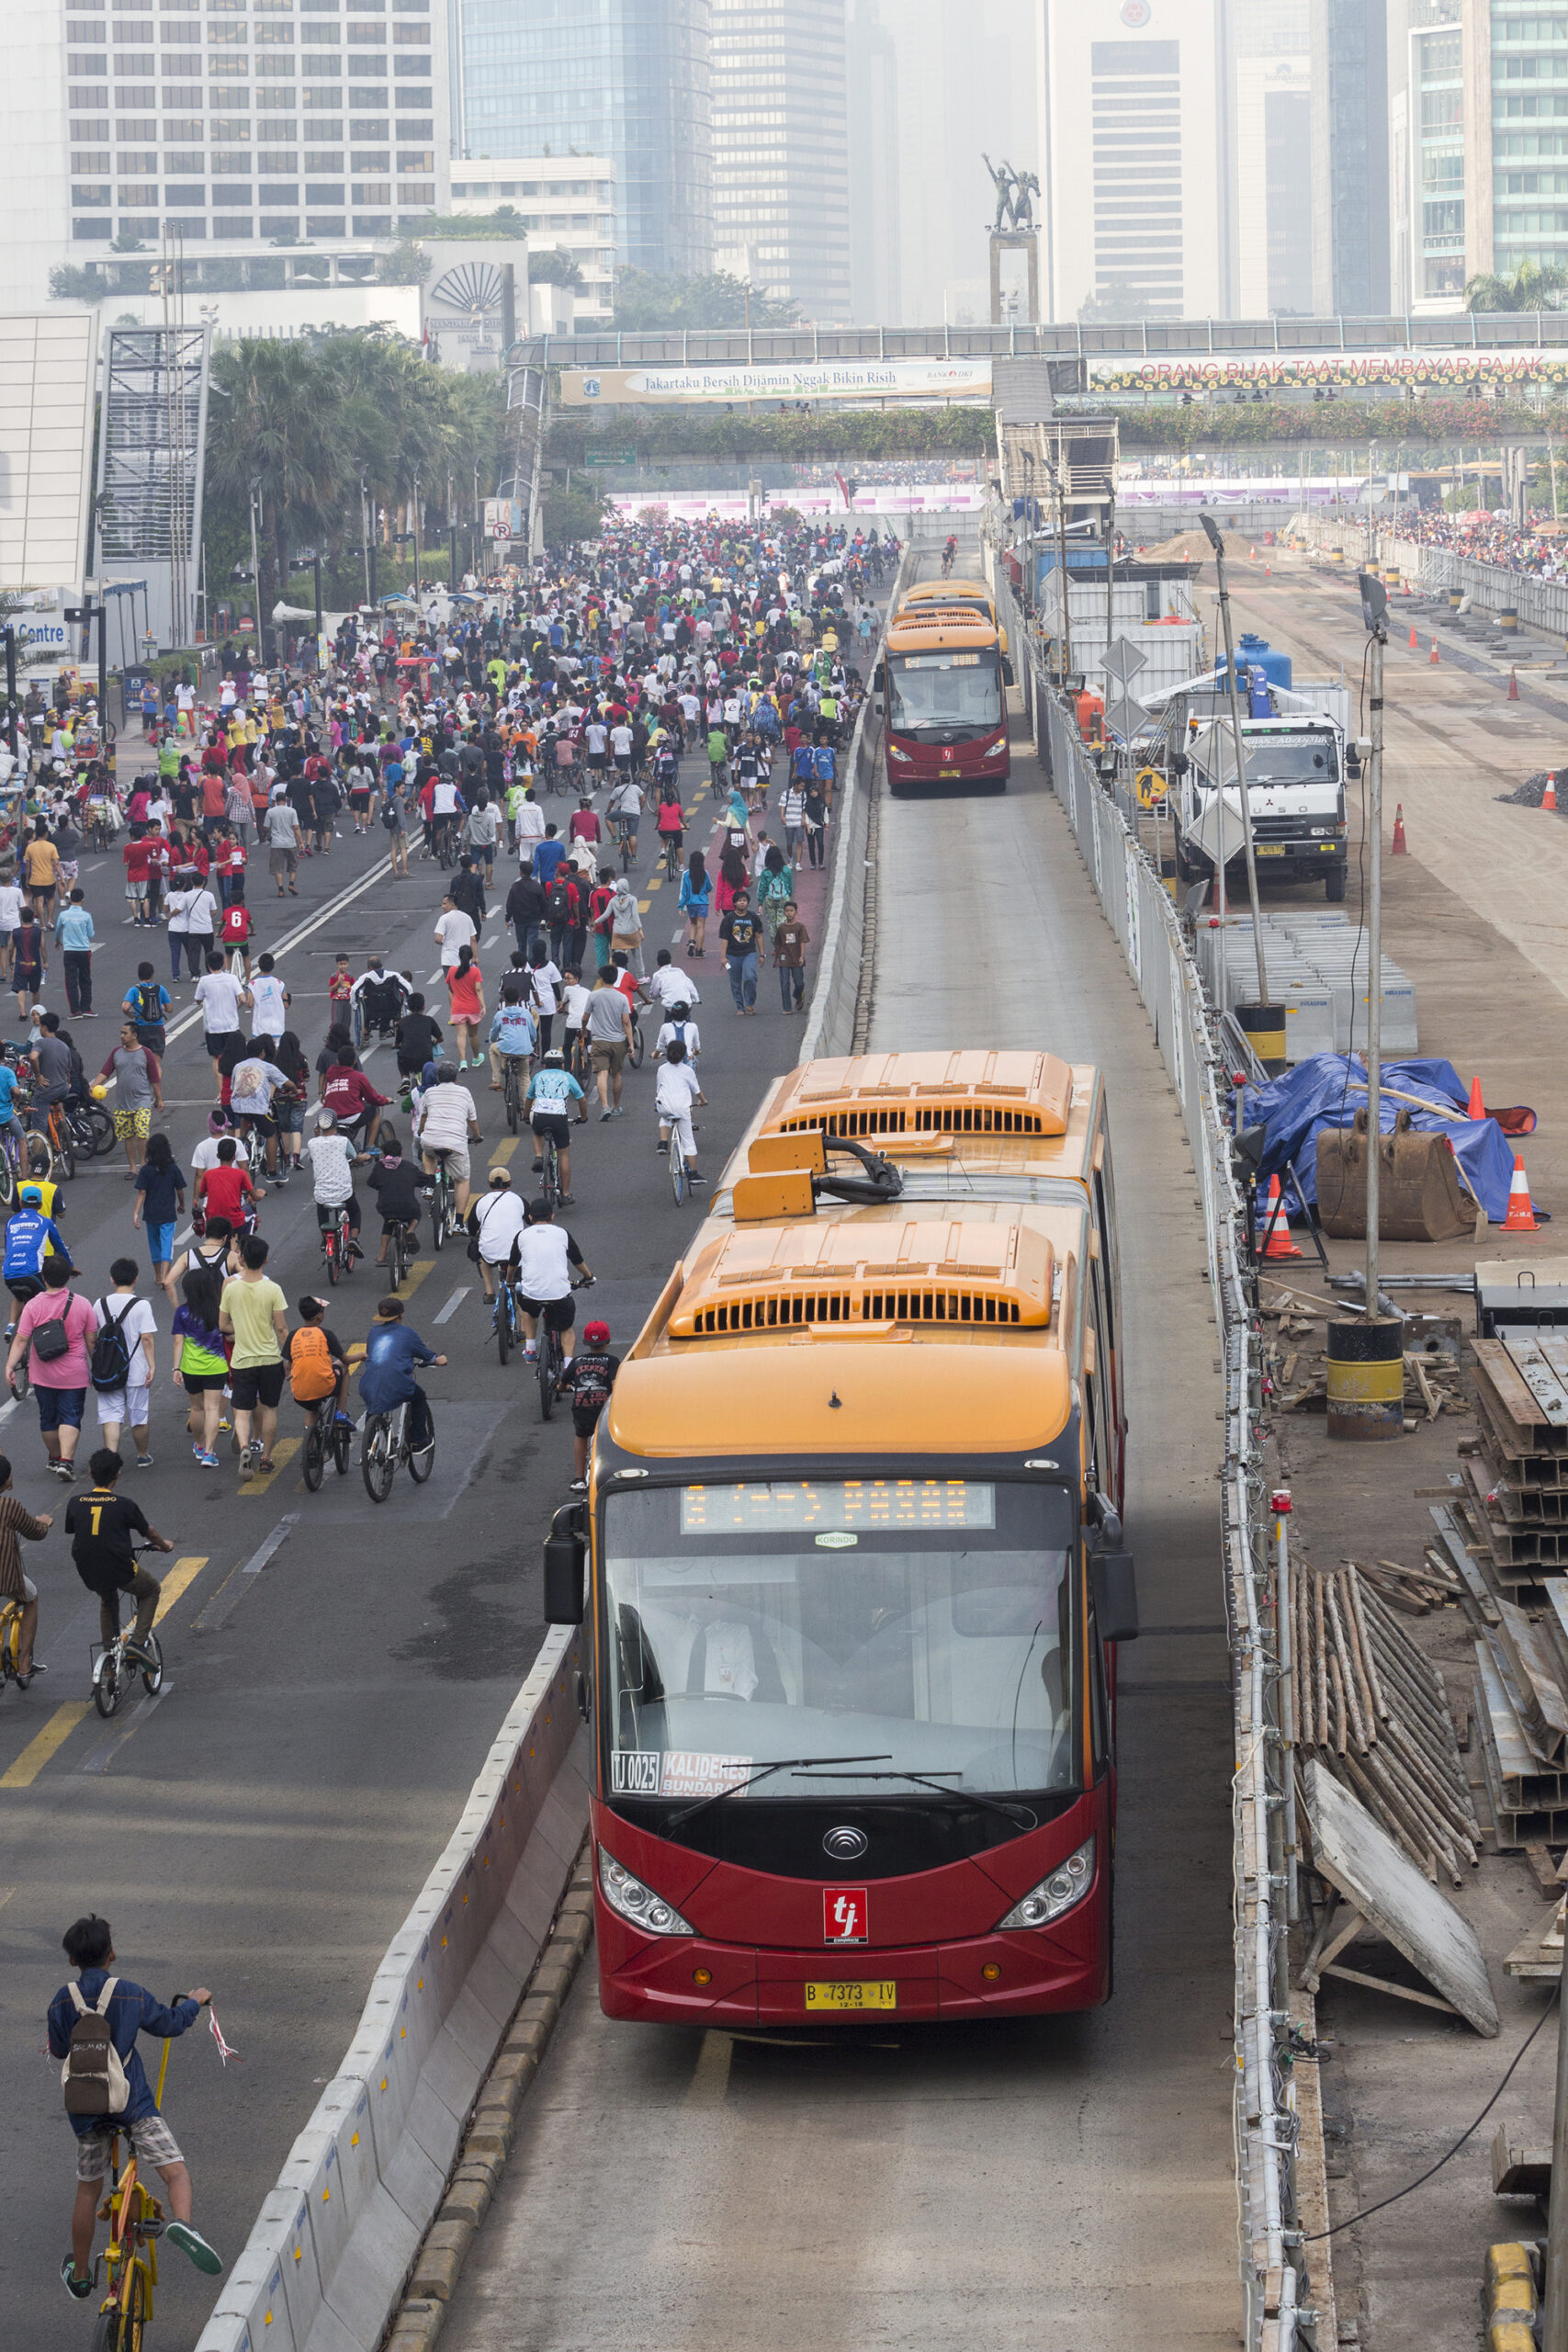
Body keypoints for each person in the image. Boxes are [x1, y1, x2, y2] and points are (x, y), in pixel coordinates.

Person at [49, 1909, 220, 2306]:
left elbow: (59, 2048)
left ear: (72, 1959)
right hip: (133, 2105)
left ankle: (79, 2273)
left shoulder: (61, 2000)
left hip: (87, 2110)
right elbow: (171, 2023)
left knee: (88, 2191)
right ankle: (184, 2225)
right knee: (175, 2172)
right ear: (112, 1954)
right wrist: (194, 2002)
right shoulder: (129, 1992)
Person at [6, 1258, 100, 1477]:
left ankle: (55, 1458)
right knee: (70, 1416)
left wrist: (10, 1366)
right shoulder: (82, 1304)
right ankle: (66, 1462)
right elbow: (91, 1342)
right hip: (74, 1374)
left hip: (43, 1374)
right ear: (68, 1277)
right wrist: (96, 1368)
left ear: (43, 1278)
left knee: (48, 1418)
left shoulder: (33, 1306)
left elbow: (21, 1340)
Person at [220, 1233, 288, 1476]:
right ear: (266, 1260)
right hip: (270, 1358)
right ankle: (267, 1457)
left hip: (242, 1359)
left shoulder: (231, 1287)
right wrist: (288, 1358)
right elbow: (280, 1328)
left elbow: (223, 1325)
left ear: (243, 1257)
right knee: (269, 1408)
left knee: (242, 1408)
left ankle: (245, 1446)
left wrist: (240, 1329)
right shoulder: (273, 1289)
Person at [91, 1259, 158, 1468]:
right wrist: (152, 1365)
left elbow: (93, 1337)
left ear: (112, 1279)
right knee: (138, 1415)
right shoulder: (141, 1305)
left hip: (109, 1369)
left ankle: (111, 1459)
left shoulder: (100, 1304)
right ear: (136, 1279)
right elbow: (146, 1338)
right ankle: (142, 1455)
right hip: (136, 1369)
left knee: (111, 1415)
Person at [358, 1295, 445, 1453]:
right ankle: (418, 1440)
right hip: (397, 1383)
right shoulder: (407, 1333)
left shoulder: (373, 1333)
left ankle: (370, 1446)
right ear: (400, 1315)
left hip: (368, 1383)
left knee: (374, 1405)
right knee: (419, 1397)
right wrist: (438, 1359)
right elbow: (427, 1356)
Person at [514, 1195, 592, 1368]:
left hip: (531, 1294)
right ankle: (568, 1367)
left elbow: (513, 1263)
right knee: (566, 1327)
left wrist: (509, 1280)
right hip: (559, 1294)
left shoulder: (522, 1236)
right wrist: (588, 1277)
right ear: (552, 1216)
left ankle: (530, 1349)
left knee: (528, 1309)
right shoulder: (562, 1234)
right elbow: (577, 1260)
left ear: (530, 1218)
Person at [170, 1261, 229, 1466]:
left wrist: (176, 1368)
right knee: (212, 1409)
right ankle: (210, 1453)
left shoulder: (183, 1313)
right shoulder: (219, 1311)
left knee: (196, 1408)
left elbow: (178, 1341)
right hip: (217, 1366)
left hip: (190, 1367)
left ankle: (199, 1445)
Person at [412, 1060, 482, 1216]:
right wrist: (477, 1136)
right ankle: (458, 1222)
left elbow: (423, 1116)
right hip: (455, 1142)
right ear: (456, 1078)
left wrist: (421, 1131)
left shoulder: (430, 1092)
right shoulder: (464, 1092)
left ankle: (430, 1185)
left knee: (428, 1153)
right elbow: (472, 1120)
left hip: (431, 1139)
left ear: (438, 1077)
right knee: (462, 1179)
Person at [558, 1318, 619, 1492]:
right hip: (602, 1411)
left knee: (580, 1435)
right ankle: (611, 1471)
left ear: (586, 1342)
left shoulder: (577, 1362)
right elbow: (616, 1385)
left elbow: (562, 1383)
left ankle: (579, 1478)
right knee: (608, 1438)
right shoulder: (612, 1361)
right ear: (608, 1341)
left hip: (582, 1409)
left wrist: (562, 1387)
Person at [525, 1046, 586, 1203]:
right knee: (563, 1155)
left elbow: (529, 1098)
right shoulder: (567, 1077)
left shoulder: (538, 1076)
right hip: (559, 1117)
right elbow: (581, 1098)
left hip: (540, 1115)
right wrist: (583, 1117)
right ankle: (565, 1194)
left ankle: (538, 1155)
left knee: (537, 1132)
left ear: (544, 1064)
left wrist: (525, 1116)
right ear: (562, 1064)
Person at [304, 1109, 365, 1262]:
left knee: (321, 1210)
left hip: (322, 1193)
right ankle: (354, 1239)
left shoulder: (312, 1143)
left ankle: (325, 1239)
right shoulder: (343, 1141)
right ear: (336, 1124)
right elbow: (354, 1157)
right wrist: (365, 1157)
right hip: (344, 1191)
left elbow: (313, 1159)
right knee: (355, 1211)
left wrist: (316, 1135)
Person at [284, 1293, 352, 1428]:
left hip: (300, 1393)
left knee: (311, 1410)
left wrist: (288, 1374)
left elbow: (288, 1365)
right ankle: (340, 1412)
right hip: (325, 1387)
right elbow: (346, 1359)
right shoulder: (326, 1334)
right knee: (343, 1368)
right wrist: (363, 1355)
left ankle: (308, 1446)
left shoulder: (293, 1335)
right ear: (319, 1316)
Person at [468, 1164, 528, 1309]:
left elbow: (472, 1229)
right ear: (510, 1183)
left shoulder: (481, 1202)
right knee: (521, 1294)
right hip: (516, 1254)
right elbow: (532, 1220)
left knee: (482, 1255)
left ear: (489, 1184)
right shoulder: (518, 1200)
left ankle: (489, 1291)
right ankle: (523, 1329)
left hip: (490, 1252)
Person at [132, 1133, 186, 1285]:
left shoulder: (145, 1170)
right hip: (167, 1213)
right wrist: (181, 1205)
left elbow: (142, 1192)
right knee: (166, 1244)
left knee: (154, 1244)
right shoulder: (173, 1169)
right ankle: (165, 1276)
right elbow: (180, 1190)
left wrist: (136, 1212)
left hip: (150, 1214)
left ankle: (157, 1276)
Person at [367, 1127, 422, 1271]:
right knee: (416, 1215)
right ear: (401, 1153)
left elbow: (371, 1182)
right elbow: (423, 1180)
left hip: (386, 1207)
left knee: (388, 1223)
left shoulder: (379, 1167)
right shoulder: (409, 1167)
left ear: (384, 1154)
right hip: (408, 1207)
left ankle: (382, 1254)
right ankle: (410, 1231)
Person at [585, 967, 634, 1121]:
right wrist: (631, 1044)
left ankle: (604, 1106)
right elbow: (626, 1022)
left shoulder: (594, 996)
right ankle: (614, 1106)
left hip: (599, 1040)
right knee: (617, 1074)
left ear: (601, 979)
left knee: (602, 1073)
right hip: (618, 1042)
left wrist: (583, 1029)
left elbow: (585, 1017)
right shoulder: (622, 998)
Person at [654, 1036, 705, 1182]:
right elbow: (697, 1090)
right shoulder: (687, 1070)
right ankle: (693, 1173)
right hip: (682, 1108)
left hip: (664, 1105)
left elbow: (659, 1089)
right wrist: (702, 1101)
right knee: (688, 1141)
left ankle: (663, 1142)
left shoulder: (661, 1069)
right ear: (683, 1055)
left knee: (664, 1116)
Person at [194, 951, 246, 1093]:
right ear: (222, 963)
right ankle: (238, 1088)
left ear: (208, 965)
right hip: (231, 1026)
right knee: (235, 1058)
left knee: (217, 1059)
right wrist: (236, 1007)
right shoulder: (232, 978)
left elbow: (198, 1000)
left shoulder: (204, 981)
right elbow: (243, 998)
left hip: (213, 1027)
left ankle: (221, 1092)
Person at [195, 1137, 257, 1236]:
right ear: (234, 1157)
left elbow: (201, 1194)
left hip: (213, 1221)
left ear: (218, 1156)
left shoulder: (208, 1174)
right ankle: (242, 1246)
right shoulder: (240, 1174)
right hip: (234, 1221)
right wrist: (261, 1194)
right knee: (251, 1213)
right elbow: (254, 1196)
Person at [444, 941, 486, 1072]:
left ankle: (463, 1062)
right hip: (472, 1007)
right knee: (473, 1035)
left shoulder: (452, 970)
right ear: (471, 956)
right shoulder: (475, 971)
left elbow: (450, 988)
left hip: (458, 1008)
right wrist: (483, 1005)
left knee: (461, 1035)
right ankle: (476, 1058)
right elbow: (478, 990)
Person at [54, 888, 96, 1018]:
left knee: (71, 981)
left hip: (69, 951)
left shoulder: (63, 915)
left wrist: (57, 941)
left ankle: (75, 1010)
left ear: (70, 899)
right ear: (82, 899)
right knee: (85, 979)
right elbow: (91, 934)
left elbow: (57, 931)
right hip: (84, 951)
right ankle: (86, 1008)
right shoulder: (86, 916)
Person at [719, 888, 761, 1015]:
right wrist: (723, 956)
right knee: (735, 982)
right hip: (732, 955)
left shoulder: (753, 917)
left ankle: (749, 1003)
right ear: (735, 903)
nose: (742, 903)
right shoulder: (728, 919)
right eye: (739, 901)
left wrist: (762, 954)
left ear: (748, 902)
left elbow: (758, 936)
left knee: (750, 977)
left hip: (749, 953)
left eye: (744, 900)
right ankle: (740, 1007)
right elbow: (724, 938)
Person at [773, 899, 811, 1014]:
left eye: (791, 910)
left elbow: (803, 942)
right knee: (784, 983)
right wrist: (778, 958)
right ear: (784, 912)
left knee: (799, 982)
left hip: (796, 957)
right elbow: (777, 943)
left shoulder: (800, 927)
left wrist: (802, 956)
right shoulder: (781, 928)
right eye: (787, 911)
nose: (789, 913)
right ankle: (787, 1008)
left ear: (796, 912)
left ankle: (799, 995)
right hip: (784, 958)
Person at [265, 791, 303, 896]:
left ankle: (281, 889)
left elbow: (266, 827)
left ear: (276, 801)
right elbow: (296, 827)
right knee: (293, 864)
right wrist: (300, 842)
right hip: (290, 842)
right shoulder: (292, 811)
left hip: (276, 843)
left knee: (277, 867)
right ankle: (291, 884)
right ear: (285, 800)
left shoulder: (270, 812)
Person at [680, 849, 710, 958]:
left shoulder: (686, 874)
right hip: (702, 903)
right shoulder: (705, 873)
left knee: (693, 924)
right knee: (701, 926)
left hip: (690, 903)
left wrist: (681, 906)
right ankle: (699, 951)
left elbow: (684, 891)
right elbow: (709, 887)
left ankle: (692, 940)